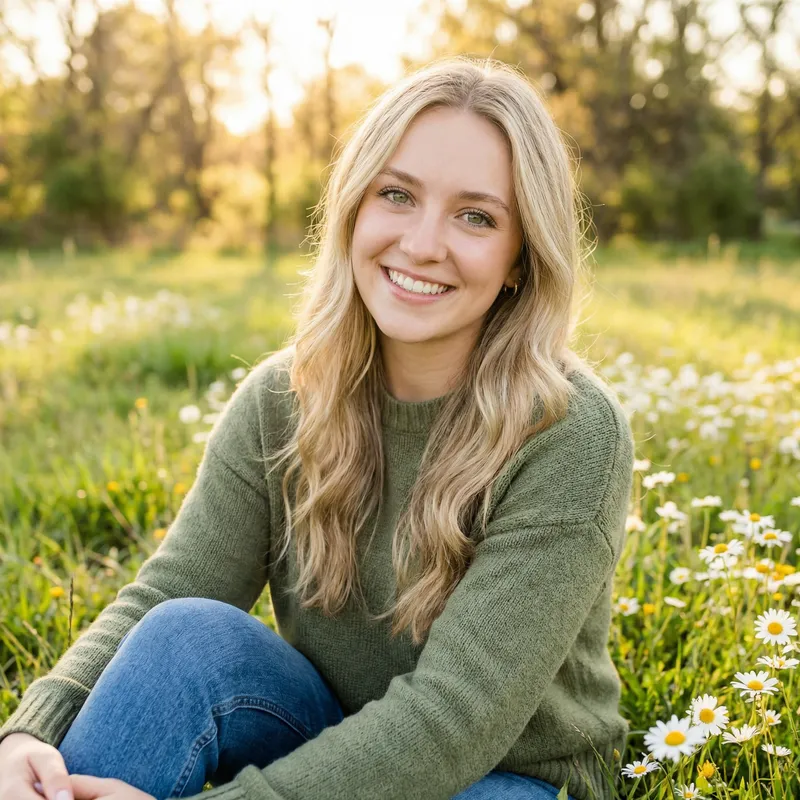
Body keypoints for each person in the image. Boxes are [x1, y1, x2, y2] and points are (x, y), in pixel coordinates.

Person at [0, 55, 634, 800]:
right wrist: (31, 731)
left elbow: (455, 720)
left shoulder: (569, 433)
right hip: (333, 732)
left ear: (521, 257)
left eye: (476, 216)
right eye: (397, 194)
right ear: (353, 209)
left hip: (507, 776)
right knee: (181, 636)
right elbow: (169, 590)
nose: (422, 243)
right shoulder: (284, 397)